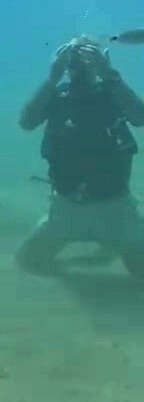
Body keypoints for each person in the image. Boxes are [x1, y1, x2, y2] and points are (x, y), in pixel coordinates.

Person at [17, 36, 144, 275]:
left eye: (87, 59)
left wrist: (109, 74)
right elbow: (26, 122)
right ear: (66, 66)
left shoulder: (113, 93)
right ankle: (108, 248)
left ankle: (110, 247)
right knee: (28, 262)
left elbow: (140, 117)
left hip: (116, 207)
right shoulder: (57, 97)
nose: (82, 68)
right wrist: (52, 77)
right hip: (66, 208)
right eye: (74, 61)